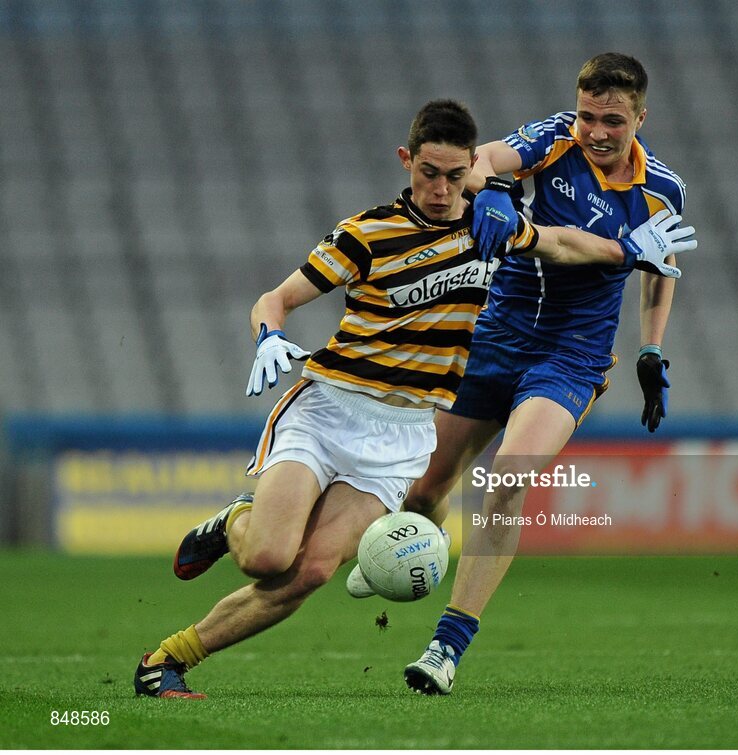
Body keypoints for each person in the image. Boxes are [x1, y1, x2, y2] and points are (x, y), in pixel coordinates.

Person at [132, 99, 693, 698]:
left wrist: (628, 255)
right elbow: (276, 298)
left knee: (314, 570)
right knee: (268, 559)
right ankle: (236, 520)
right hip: (329, 411)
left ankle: (167, 659)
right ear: (407, 162)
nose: (442, 188)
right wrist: (269, 335)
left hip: (400, 436)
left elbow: (560, 243)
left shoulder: (491, 230)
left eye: (456, 177)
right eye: (431, 173)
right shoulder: (365, 233)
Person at [388, 54, 692, 695]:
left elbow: (659, 273)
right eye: (588, 115)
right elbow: (484, 159)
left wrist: (651, 351)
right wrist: (494, 187)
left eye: (613, 120)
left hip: (571, 357)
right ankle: (402, 556)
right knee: (421, 494)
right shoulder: (554, 139)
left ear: (641, 117)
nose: (596, 131)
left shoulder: (662, 189)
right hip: (495, 338)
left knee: (508, 477)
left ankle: (446, 647)